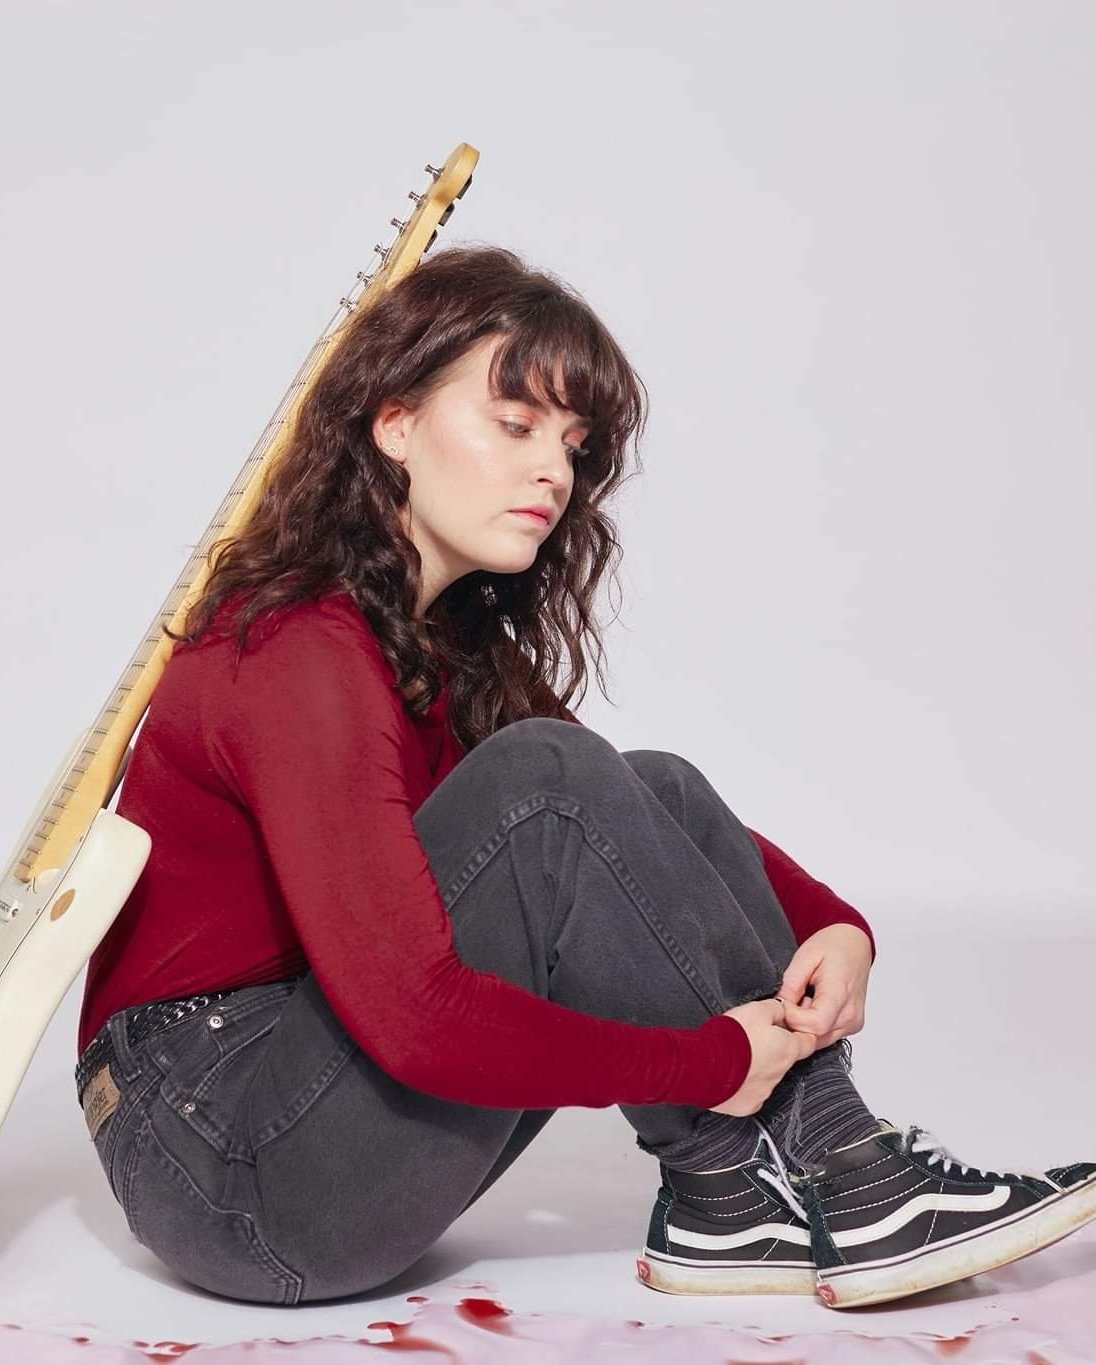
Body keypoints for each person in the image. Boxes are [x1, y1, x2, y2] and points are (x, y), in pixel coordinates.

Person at [73, 244, 1096, 1311]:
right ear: (395, 423)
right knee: (552, 781)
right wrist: (702, 1063)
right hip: (226, 1164)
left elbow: (639, 815)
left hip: (295, 1088)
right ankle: (848, 1171)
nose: (554, 473)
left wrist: (836, 925)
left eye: (571, 443)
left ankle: (728, 1200)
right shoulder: (296, 649)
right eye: (514, 425)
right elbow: (416, 1017)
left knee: (648, 780)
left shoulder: (438, 644)